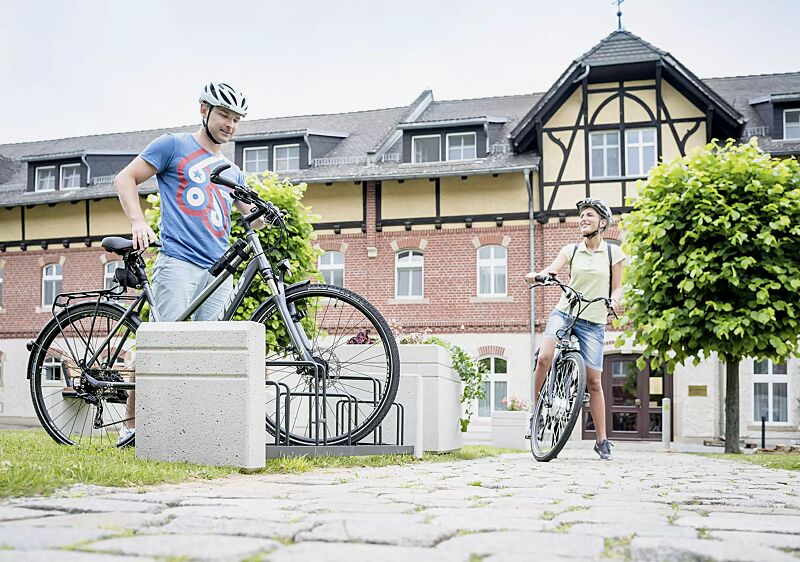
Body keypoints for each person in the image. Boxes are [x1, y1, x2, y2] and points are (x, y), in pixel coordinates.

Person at [113, 81, 263, 444]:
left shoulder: (231, 170)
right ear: (204, 111)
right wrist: (138, 222)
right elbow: (125, 178)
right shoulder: (172, 145)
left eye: (236, 119)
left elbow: (253, 217)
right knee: (159, 347)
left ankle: (192, 430)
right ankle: (130, 427)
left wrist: (267, 213)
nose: (230, 125)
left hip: (218, 272)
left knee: (207, 354)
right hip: (178, 262)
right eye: (224, 115)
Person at [525, 198, 624, 460]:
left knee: (594, 382)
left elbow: (617, 287)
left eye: (589, 215)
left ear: (602, 222)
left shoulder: (613, 253)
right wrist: (540, 275)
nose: (583, 219)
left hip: (593, 322)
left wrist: (615, 300)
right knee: (545, 357)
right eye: (582, 215)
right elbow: (552, 270)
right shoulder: (571, 250)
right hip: (565, 312)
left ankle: (602, 441)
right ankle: (536, 413)